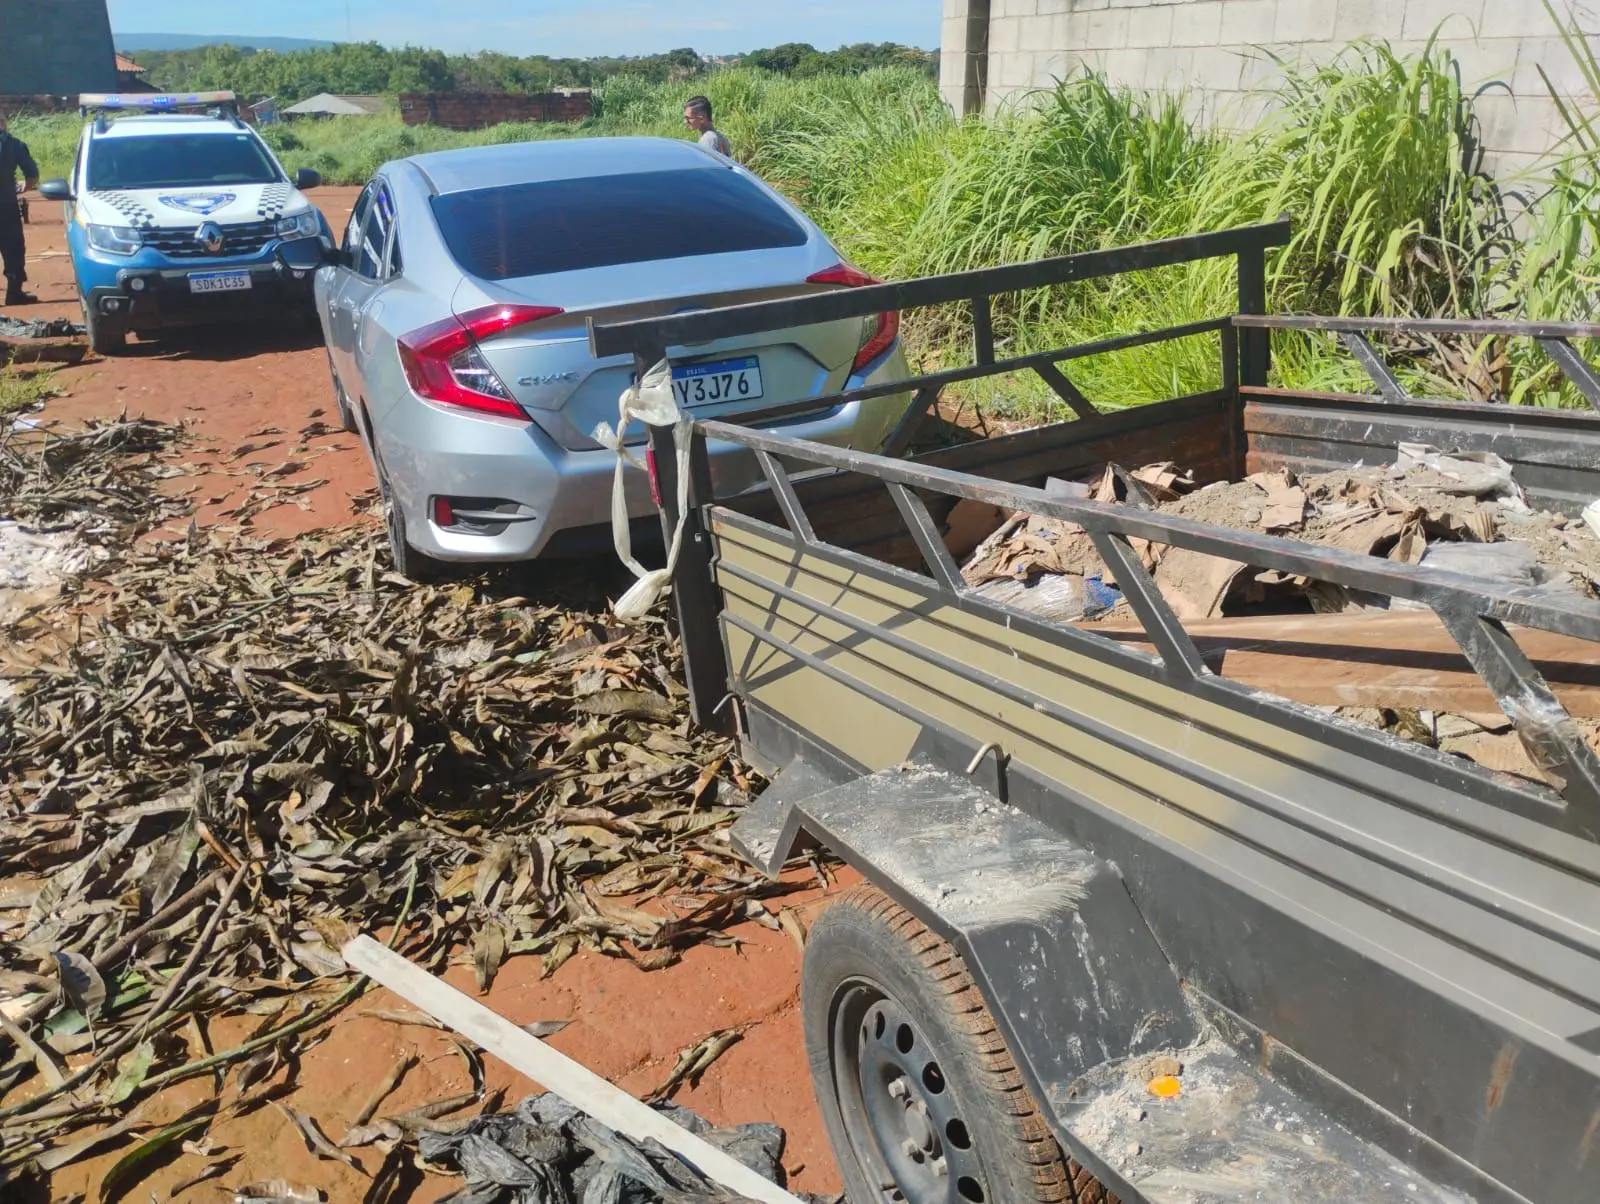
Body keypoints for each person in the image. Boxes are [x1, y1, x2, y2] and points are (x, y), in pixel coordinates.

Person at [0, 113, 40, 306]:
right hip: (6, 206)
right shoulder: (14, 144)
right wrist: (26, 186)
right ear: (2, 123)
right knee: (13, 248)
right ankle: (14, 293)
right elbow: (32, 174)